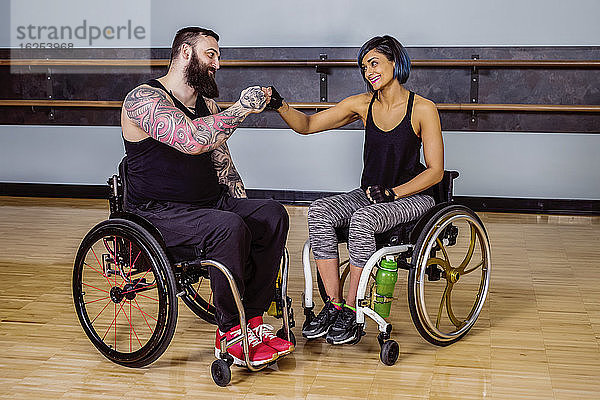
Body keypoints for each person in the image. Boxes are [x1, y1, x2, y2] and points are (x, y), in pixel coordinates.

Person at [121, 27, 293, 366]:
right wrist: (242, 108)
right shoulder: (143, 100)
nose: (217, 63)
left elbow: (223, 166)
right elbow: (192, 139)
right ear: (186, 52)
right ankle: (230, 333)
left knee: (272, 214)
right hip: (158, 213)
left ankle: (252, 320)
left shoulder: (207, 104)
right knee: (227, 227)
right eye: (210, 54)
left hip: (208, 204)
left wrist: (247, 217)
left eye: (218, 56)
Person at [266, 35, 444, 344]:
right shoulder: (362, 104)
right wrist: (279, 104)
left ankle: (352, 308)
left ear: (395, 62)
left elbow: (436, 171)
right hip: (371, 193)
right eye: (364, 67)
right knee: (320, 211)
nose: (368, 72)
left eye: (374, 63)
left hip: (414, 197)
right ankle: (333, 306)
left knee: (363, 220)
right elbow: (307, 125)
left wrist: (394, 193)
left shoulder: (423, 109)